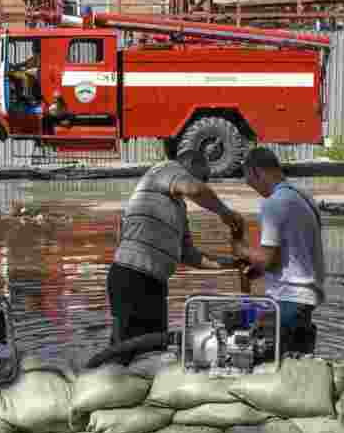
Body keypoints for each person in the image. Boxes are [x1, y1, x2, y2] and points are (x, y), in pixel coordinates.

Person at [108, 148, 245, 347]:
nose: (205, 182)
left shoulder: (179, 209)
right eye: (204, 176)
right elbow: (195, 189)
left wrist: (233, 264)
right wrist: (225, 213)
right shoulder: (165, 168)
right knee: (125, 349)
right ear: (192, 166)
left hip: (155, 282)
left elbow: (190, 256)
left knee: (153, 348)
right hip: (131, 276)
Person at [232, 146, 326, 357]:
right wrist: (255, 269)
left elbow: (269, 260)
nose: (253, 188)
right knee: (296, 370)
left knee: (265, 363)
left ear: (256, 172)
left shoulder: (273, 204)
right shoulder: (304, 198)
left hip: (287, 301)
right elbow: (293, 255)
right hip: (305, 301)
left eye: (250, 182)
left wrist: (243, 250)